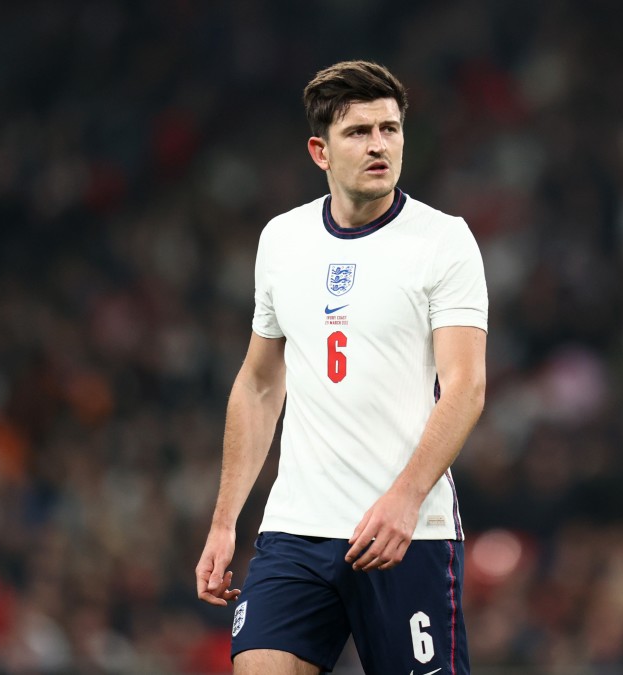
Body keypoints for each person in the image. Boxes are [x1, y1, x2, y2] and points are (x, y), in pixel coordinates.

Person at [194, 60, 487, 675]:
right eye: (358, 132)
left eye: (390, 129)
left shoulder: (443, 241)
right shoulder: (283, 239)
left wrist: (405, 499)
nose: (379, 145)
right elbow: (259, 384)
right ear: (319, 151)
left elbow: (465, 387)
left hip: (408, 532)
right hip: (296, 530)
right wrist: (224, 523)